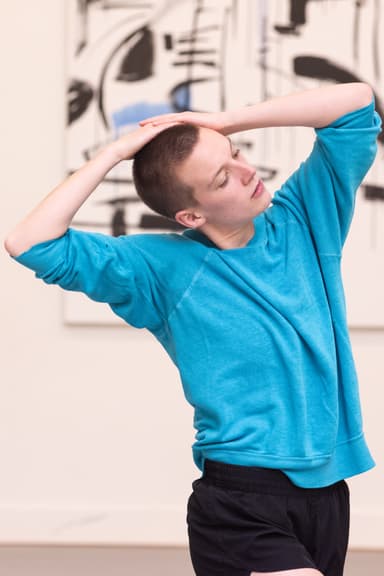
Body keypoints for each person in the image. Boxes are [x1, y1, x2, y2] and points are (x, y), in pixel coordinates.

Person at [4, 83, 381, 576]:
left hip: (327, 493)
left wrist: (223, 123)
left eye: (238, 156)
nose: (249, 173)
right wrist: (115, 153)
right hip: (241, 499)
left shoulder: (305, 218)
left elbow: (355, 102)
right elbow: (28, 241)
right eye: (223, 177)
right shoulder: (161, 268)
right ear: (191, 214)